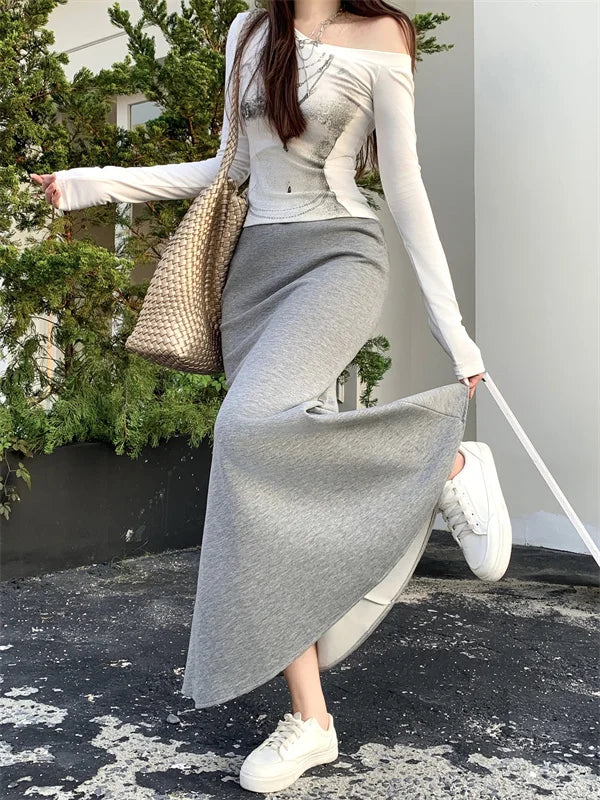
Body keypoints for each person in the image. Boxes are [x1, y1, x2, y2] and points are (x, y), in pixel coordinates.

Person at [31, 1, 512, 793]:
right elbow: (227, 166)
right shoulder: (249, 33)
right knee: (256, 477)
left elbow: (405, 186)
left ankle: (448, 465)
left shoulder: (382, 36)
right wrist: (91, 185)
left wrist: (454, 332)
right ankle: (311, 721)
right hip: (254, 271)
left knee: (245, 429)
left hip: (338, 258)